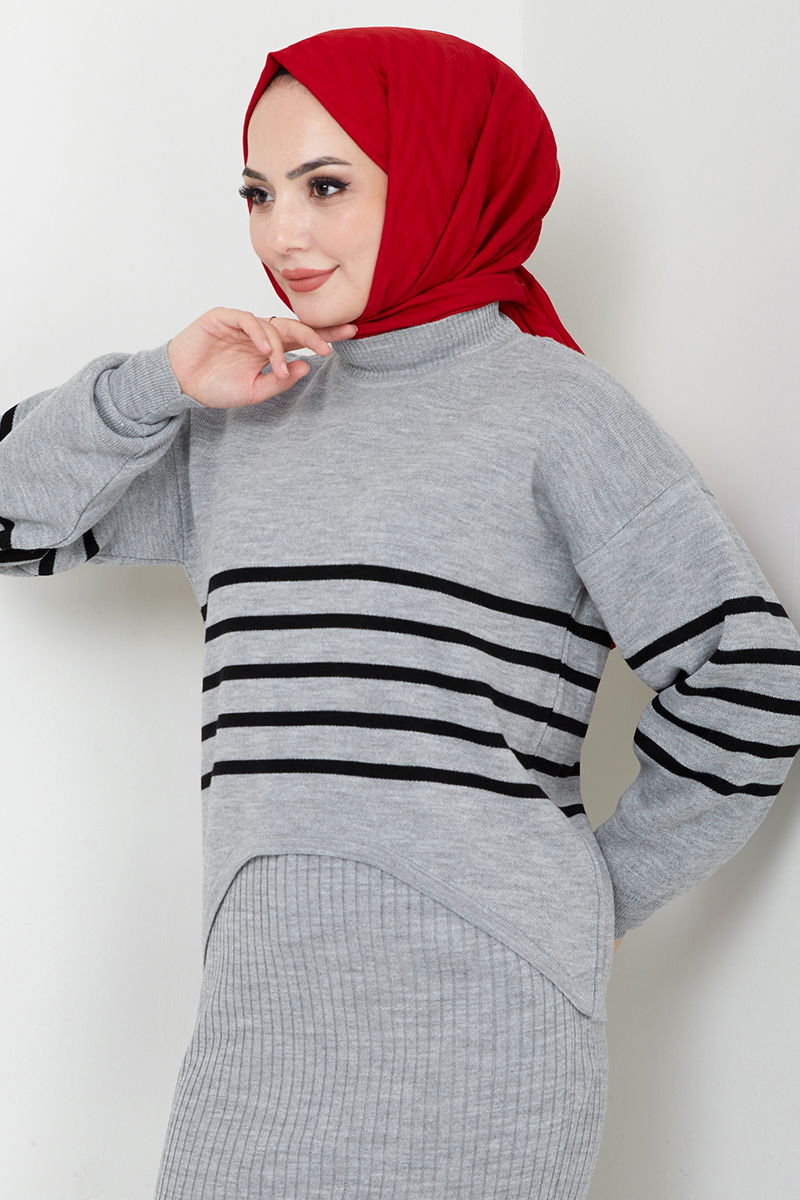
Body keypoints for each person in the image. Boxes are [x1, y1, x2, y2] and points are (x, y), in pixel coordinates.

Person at [2, 24, 799, 1200]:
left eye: (326, 186)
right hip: (261, 1009)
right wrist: (158, 382)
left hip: (483, 1008)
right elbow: (13, 517)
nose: (283, 234)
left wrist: (591, 897)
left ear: (440, 177)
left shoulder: (557, 412)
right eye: (258, 192)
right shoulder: (247, 413)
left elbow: (747, 678)